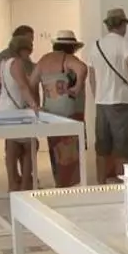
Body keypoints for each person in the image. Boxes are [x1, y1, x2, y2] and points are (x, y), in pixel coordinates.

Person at [88, 8, 128, 184]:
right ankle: (122, 185)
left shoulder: (96, 45)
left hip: (101, 103)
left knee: (102, 148)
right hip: (121, 101)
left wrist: (97, 94)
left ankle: (100, 184)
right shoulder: (124, 44)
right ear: (122, 24)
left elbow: (91, 74)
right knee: (123, 148)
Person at [29, 30, 88, 187]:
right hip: (69, 109)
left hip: (50, 110)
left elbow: (32, 82)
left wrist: (36, 103)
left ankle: (60, 182)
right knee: (70, 148)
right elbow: (82, 68)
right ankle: (68, 184)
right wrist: (78, 86)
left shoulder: (44, 60)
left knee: (56, 148)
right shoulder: (67, 58)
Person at [0, 35, 40, 192]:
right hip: (15, 111)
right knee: (30, 145)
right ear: (23, 49)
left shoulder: (3, 63)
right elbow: (23, 86)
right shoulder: (17, 63)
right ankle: (25, 184)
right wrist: (34, 105)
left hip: (5, 109)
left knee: (12, 146)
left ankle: (13, 183)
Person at [0, 25, 37, 106]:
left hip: (22, 104)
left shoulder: (25, 58)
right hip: (12, 106)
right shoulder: (5, 58)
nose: (31, 42)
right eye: (29, 39)